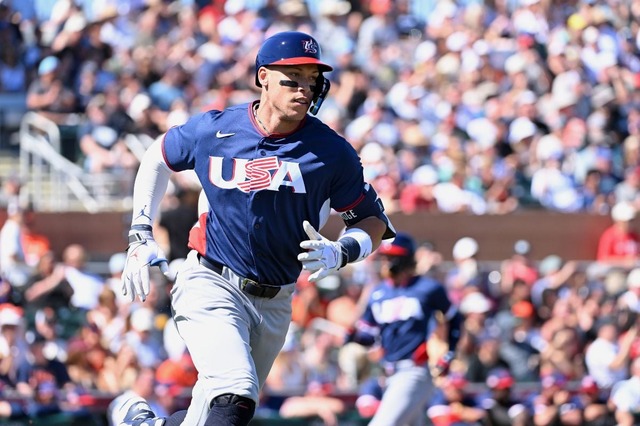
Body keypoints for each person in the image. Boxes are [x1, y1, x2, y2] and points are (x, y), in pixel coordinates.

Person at [109, 30, 394, 426]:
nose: (305, 90)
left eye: (312, 80)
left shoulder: (331, 151)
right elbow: (157, 157)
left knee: (217, 414)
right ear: (263, 77)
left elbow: (373, 221)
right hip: (212, 280)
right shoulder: (216, 129)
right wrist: (140, 233)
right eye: (292, 79)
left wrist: (341, 250)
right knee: (236, 396)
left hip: (277, 298)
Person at [346, 233, 463, 426]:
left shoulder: (427, 288)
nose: (386, 263)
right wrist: (353, 336)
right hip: (388, 374)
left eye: (392, 258)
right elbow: (370, 337)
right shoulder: (378, 292)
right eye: (385, 258)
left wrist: (449, 352)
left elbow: (455, 318)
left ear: (406, 259)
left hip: (414, 371)